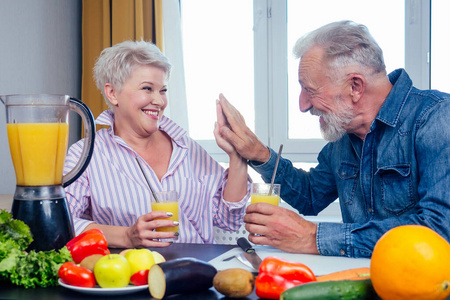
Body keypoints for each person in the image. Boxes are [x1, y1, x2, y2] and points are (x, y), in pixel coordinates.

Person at [216, 20, 450, 258]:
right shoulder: (343, 139)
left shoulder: (437, 118)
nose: (302, 105)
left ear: (355, 86)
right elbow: (310, 196)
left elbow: (440, 230)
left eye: (310, 90)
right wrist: (259, 155)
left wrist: (313, 238)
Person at [64, 40, 250, 248]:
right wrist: (126, 236)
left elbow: (228, 220)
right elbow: (62, 223)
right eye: (147, 89)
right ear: (113, 93)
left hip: (197, 273)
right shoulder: (85, 155)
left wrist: (237, 157)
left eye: (162, 90)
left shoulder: (187, 148)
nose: (160, 101)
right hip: (131, 276)